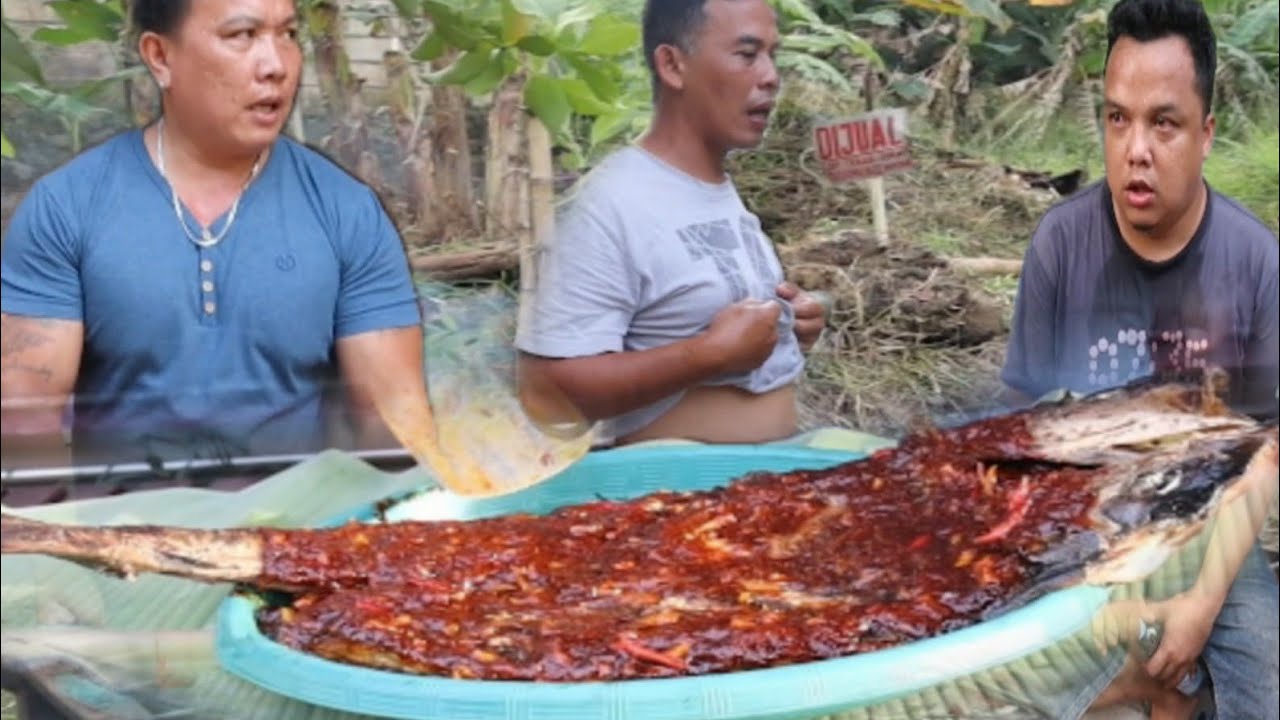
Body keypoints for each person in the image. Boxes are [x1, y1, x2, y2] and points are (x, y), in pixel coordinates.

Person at [0, 0, 427, 472]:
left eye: (288, 34)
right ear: (160, 57)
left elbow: (393, 423)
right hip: (124, 515)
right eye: (242, 35)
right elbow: (23, 422)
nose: (276, 65)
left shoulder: (348, 212)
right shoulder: (66, 208)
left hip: (300, 517)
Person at [1002, 0, 1279, 717]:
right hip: (1084, 524)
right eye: (1117, 119)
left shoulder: (1254, 260)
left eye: (1164, 123)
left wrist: (1198, 607)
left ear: (1206, 133)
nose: (1136, 150)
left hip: (1209, 524)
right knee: (999, 684)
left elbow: (1260, 457)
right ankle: (1150, 689)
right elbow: (1023, 435)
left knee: (1268, 689)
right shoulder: (1061, 244)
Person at [515, 0, 826, 447]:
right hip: (675, 486)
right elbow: (545, 394)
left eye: (772, 55)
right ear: (673, 65)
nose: (771, 76)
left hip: (764, 479)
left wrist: (789, 329)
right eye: (747, 54)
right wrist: (705, 356)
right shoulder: (609, 204)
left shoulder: (715, 190)